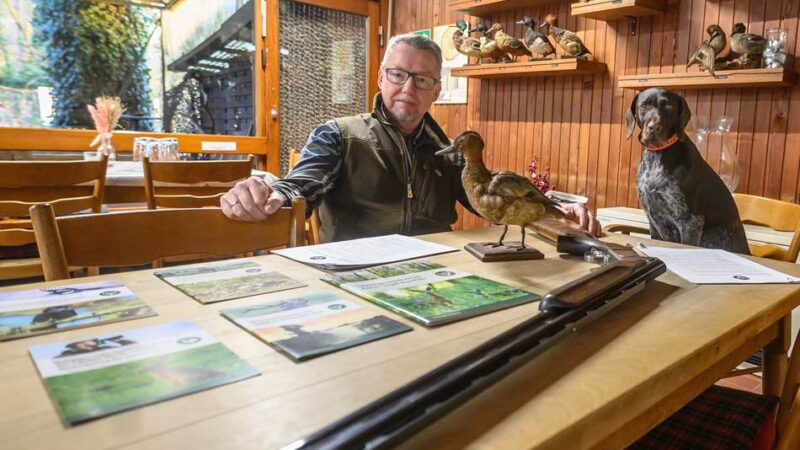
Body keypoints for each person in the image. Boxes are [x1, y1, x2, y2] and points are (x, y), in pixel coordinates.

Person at [221, 34, 599, 242]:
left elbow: (492, 200)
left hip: (436, 274)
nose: (408, 88)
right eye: (398, 74)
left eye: (422, 80)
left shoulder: (450, 152)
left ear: (435, 90)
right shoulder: (338, 134)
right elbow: (299, 187)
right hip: (357, 276)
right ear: (382, 78)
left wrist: (557, 211)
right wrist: (267, 192)